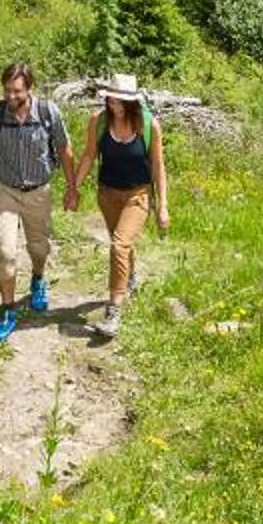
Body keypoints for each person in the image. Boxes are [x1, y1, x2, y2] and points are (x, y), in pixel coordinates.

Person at [0, 60, 70, 342]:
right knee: (5, 250)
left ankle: (38, 278)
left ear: (30, 89)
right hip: (5, 191)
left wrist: (72, 187)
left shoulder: (48, 112)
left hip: (39, 191)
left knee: (39, 248)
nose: (11, 97)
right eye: (7, 91)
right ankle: (8, 310)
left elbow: (64, 148)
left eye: (17, 92)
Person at [66, 73, 166, 344]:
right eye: (111, 98)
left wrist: (162, 207)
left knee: (119, 245)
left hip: (138, 196)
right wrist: (73, 188)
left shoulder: (148, 125)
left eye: (120, 99)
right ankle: (130, 277)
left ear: (131, 101)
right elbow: (89, 155)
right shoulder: (98, 122)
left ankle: (114, 312)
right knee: (120, 242)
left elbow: (158, 167)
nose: (114, 103)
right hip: (107, 195)